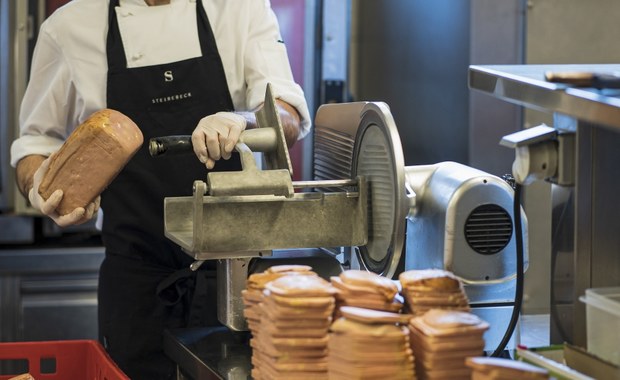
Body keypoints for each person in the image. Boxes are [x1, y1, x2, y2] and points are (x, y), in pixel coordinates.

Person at [10, 0, 311, 378]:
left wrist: (243, 121)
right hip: (137, 288)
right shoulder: (70, 27)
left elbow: (289, 116)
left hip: (235, 283)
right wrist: (40, 185)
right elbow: (35, 145)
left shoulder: (240, 8)